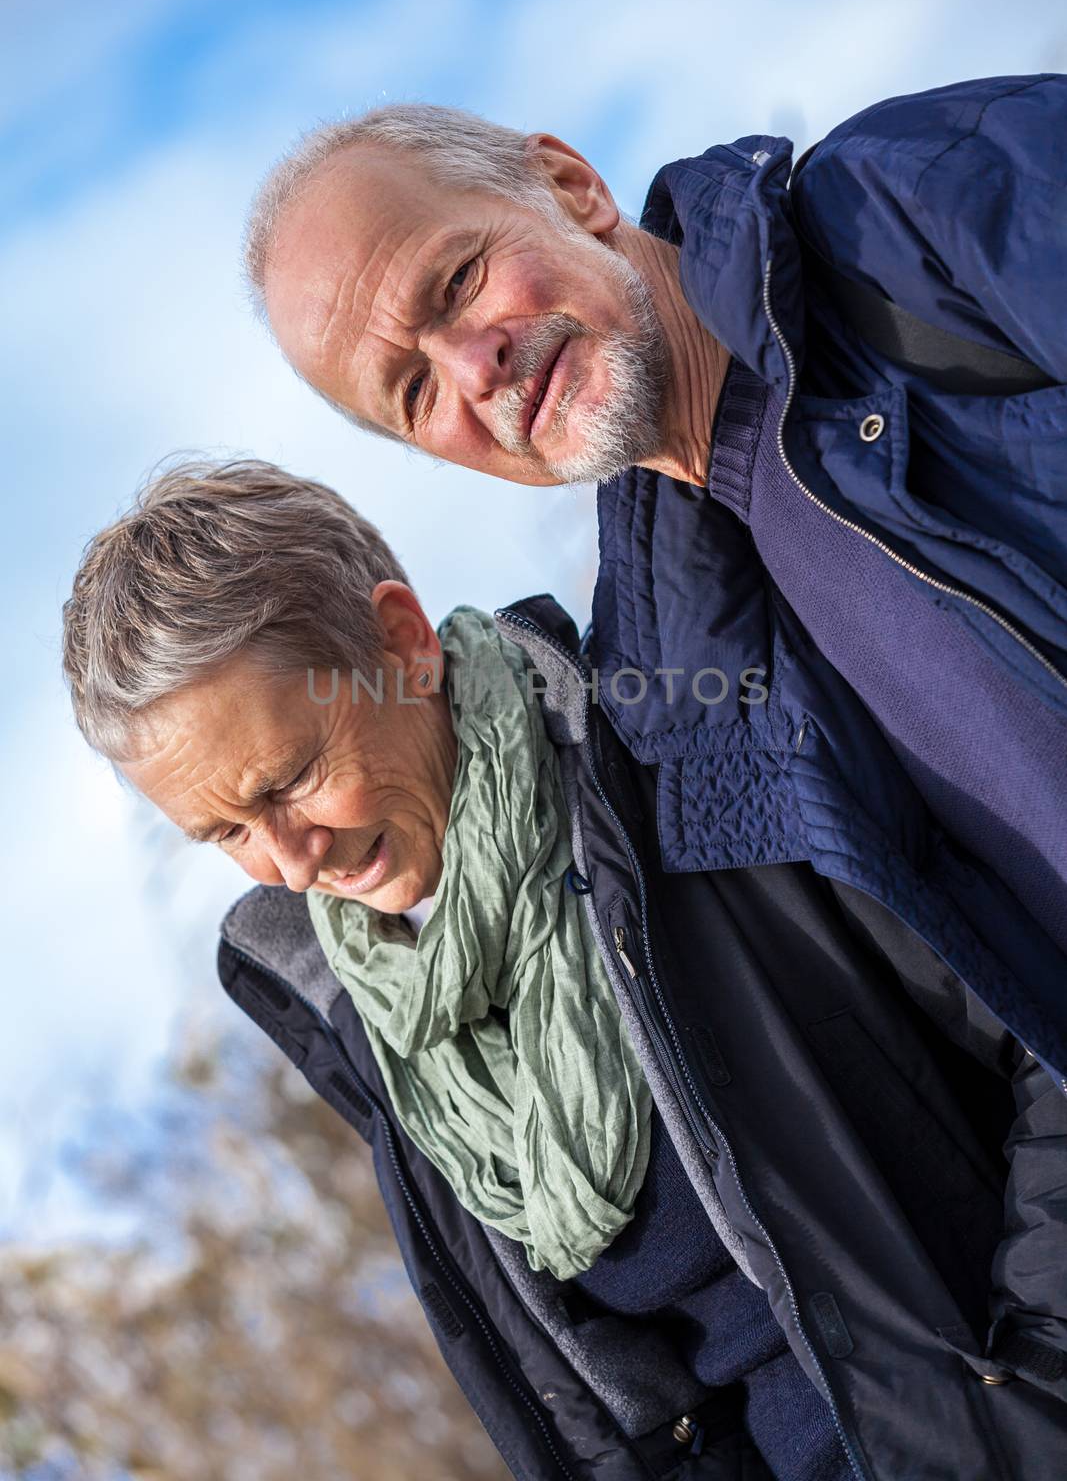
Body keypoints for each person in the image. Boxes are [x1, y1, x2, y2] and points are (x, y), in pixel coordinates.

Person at [64, 459, 1067, 1478]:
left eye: (292, 780)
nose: (289, 861)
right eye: (225, 830)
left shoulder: (683, 750)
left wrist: (1037, 1385)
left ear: (403, 644)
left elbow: (1038, 1020)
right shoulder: (370, 1022)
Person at [244, 79, 1067, 1110]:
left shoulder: (908, 204)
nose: (472, 367)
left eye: (455, 281)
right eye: (414, 392)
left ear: (568, 185)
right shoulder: (674, 698)